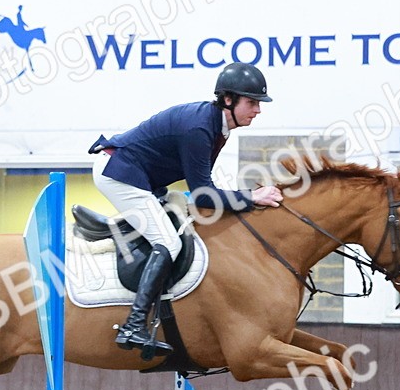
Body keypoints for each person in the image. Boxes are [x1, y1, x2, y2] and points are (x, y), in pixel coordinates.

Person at [88, 62, 283, 358]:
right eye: (252, 102)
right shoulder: (200, 128)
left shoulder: (217, 127)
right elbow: (204, 196)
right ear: (228, 100)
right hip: (118, 173)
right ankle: (133, 325)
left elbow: (203, 189)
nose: (257, 110)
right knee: (169, 242)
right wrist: (251, 197)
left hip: (140, 176)